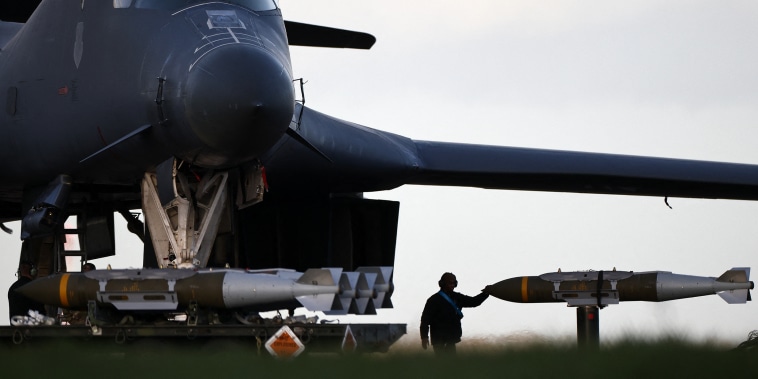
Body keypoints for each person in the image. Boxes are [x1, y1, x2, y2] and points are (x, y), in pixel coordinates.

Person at [420, 272, 489, 355]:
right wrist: (424, 337)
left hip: (450, 340)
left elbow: (473, 302)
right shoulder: (433, 300)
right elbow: (425, 320)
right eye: (450, 283)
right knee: (442, 365)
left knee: (451, 365)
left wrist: (486, 293)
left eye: (454, 283)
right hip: (439, 340)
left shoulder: (457, 297)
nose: (452, 285)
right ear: (442, 284)